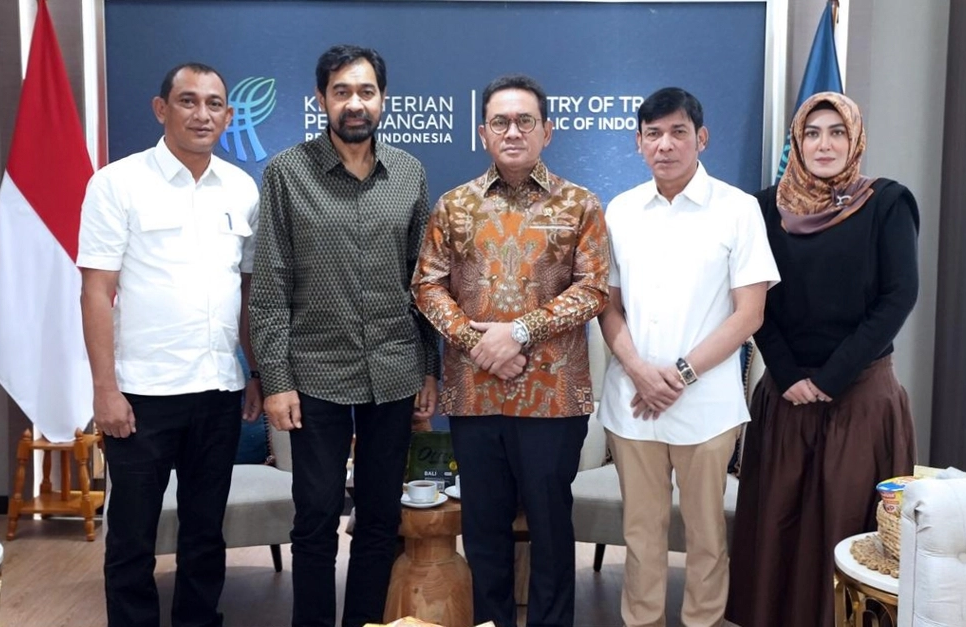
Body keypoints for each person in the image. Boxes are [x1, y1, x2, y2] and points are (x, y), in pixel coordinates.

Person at [248, 44, 439, 627]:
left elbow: (423, 282)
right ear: (321, 99)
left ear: (383, 99)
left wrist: (429, 367)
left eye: (366, 92)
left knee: (380, 519)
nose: (355, 103)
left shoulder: (409, 173)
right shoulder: (286, 173)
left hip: (395, 371)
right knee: (316, 517)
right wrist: (276, 381)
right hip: (314, 376)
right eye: (342, 92)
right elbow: (270, 285)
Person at [412, 74, 609, 627]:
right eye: (501, 122)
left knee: (550, 529)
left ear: (548, 130)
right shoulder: (453, 206)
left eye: (525, 121)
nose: (513, 131)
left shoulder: (580, 205)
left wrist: (518, 332)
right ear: (483, 133)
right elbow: (426, 285)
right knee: (483, 531)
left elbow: (594, 289)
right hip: (474, 397)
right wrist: (478, 342)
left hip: (553, 399)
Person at [78, 62, 262, 627]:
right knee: (132, 538)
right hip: (141, 395)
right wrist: (105, 390)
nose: (202, 114)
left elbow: (246, 291)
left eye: (214, 104)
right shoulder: (117, 183)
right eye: (188, 101)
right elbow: (96, 291)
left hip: (218, 390)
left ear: (228, 116)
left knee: (205, 535)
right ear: (162, 109)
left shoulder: (242, 188)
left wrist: (255, 373)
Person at [726, 91, 919, 627]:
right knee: (779, 528)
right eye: (812, 133)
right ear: (797, 141)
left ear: (855, 140)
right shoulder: (763, 208)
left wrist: (832, 377)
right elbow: (752, 297)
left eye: (837, 132)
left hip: (860, 397)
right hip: (786, 396)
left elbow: (898, 297)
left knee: (849, 529)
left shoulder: (887, 202)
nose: (824, 144)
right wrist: (788, 374)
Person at [596, 87, 779, 627]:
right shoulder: (621, 210)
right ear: (638, 142)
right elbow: (607, 306)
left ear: (701, 138)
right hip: (633, 403)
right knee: (641, 534)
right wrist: (638, 371)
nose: (665, 145)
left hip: (706, 406)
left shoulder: (738, 209)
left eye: (678, 132)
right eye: (653, 134)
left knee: (706, 537)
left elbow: (750, 314)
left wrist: (678, 374)